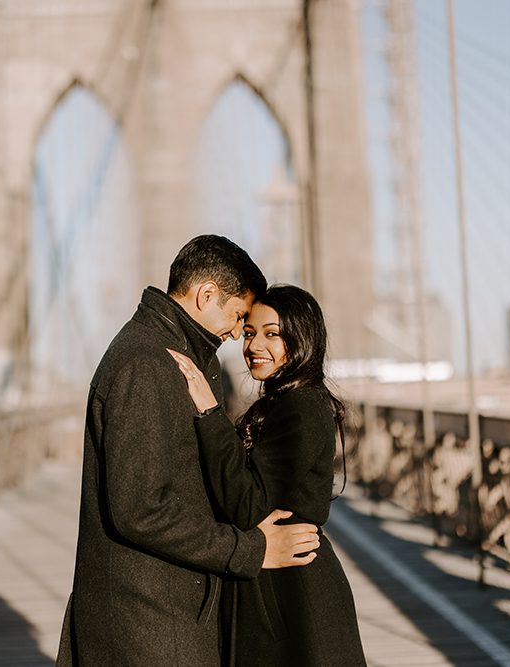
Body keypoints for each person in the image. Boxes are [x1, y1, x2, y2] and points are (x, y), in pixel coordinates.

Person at [57, 236, 321, 666]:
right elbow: (140, 509)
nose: (236, 334)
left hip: (171, 605)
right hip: (149, 619)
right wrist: (250, 550)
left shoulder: (181, 356)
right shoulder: (147, 364)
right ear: (206, 295)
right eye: (238, 316)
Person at [167, 284, 367, 667]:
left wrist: (209, 413)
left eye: (271, 334)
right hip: (279, 585)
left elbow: (247, 504)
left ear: (301, 339)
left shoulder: (301, 407)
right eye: (249, 333)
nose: (254, 345)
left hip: (293, 596)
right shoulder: (282, 403)